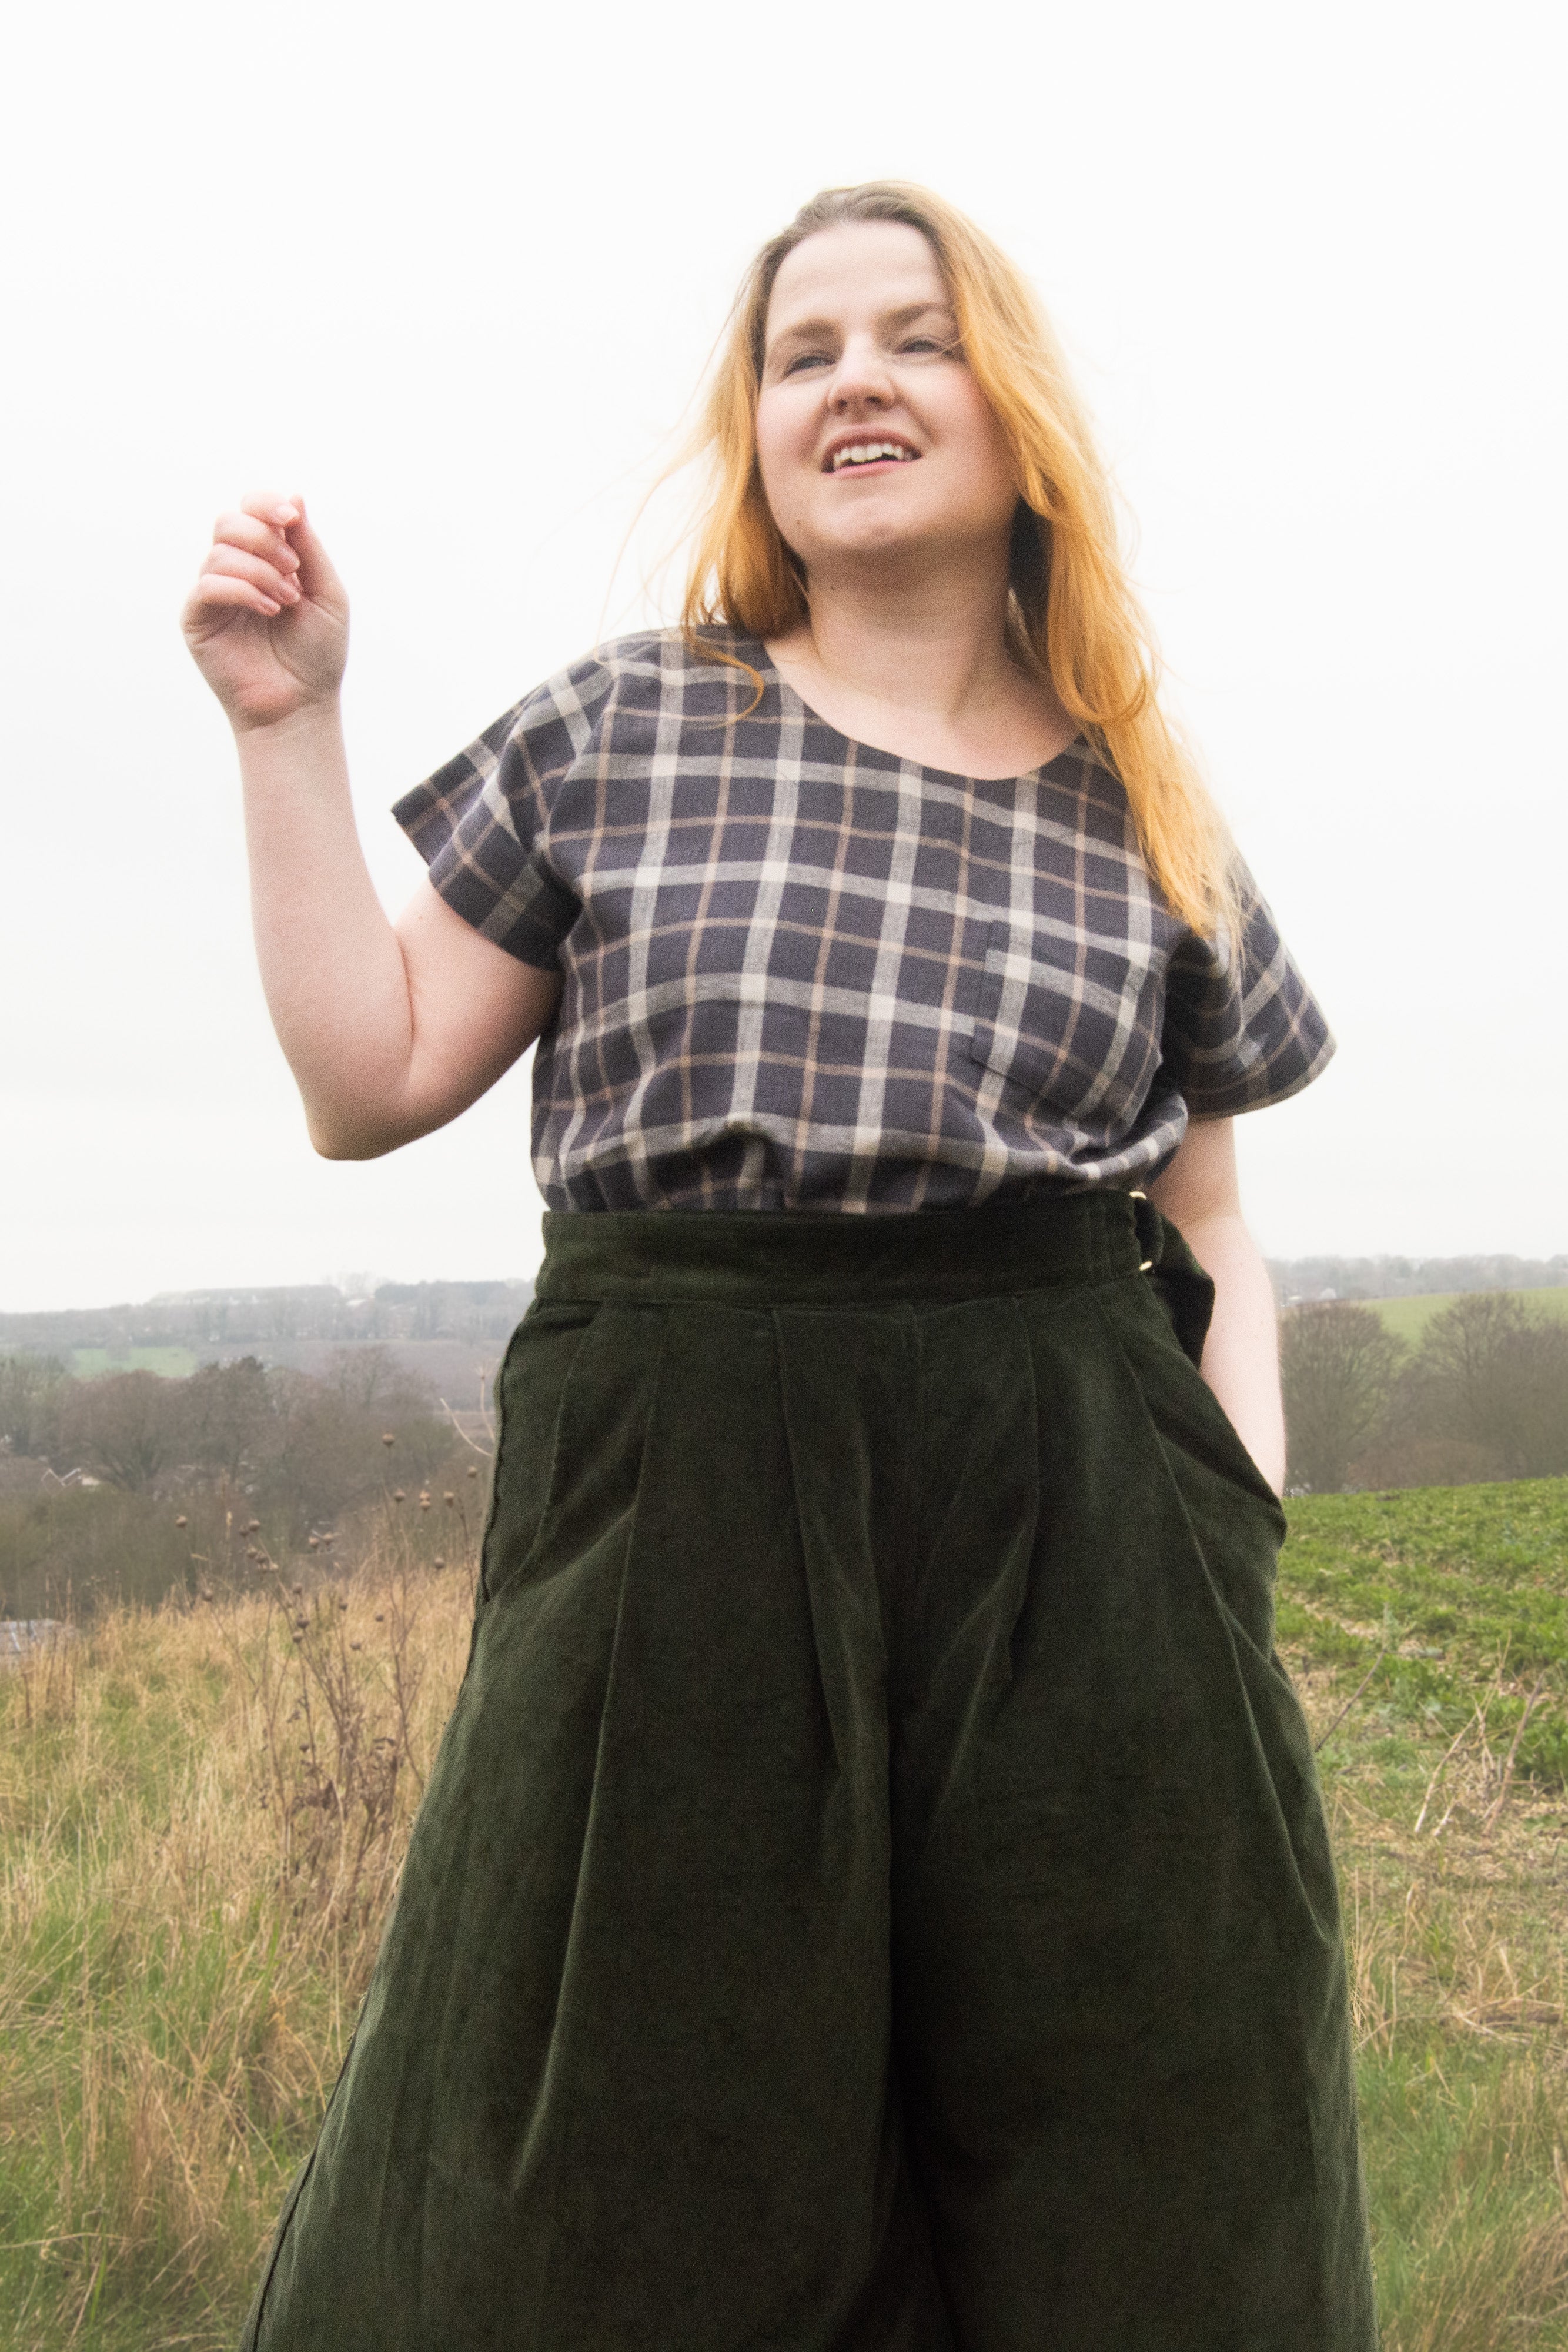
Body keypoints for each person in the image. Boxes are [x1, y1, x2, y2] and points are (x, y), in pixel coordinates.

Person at [185, 182, 1378, 2352]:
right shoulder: (627, 726)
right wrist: (288, 729)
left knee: (1138, 2141)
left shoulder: (1148, 811)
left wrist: (1230, 1521)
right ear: (754, 437)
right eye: (801, 351)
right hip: (678, 1520)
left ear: (1009, 408)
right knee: (616, 2154)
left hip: (1078, 1536)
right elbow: (366, 1080)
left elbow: (1210, 1224)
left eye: (913, 338)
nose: (855, 381)